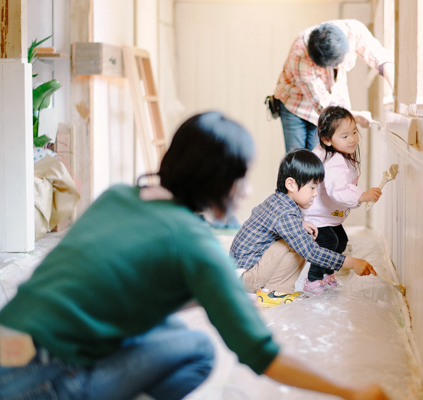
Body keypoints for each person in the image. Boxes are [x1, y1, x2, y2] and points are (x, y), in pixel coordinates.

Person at [0, 112, 390, 400]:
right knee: (197, 350)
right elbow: (260, 352)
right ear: (218, 180)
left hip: (7, 344)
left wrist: (211, 293)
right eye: (242, 174)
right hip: (40, 384)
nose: (248, 187)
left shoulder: (117, 196)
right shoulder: (194, 244)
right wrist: (350, 392)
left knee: (167, 331)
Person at [230, 148, 377, 307]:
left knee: (300, 236)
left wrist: (300, 223)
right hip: (245, 277)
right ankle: (274, 292)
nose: (315, 194)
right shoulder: (285, 214)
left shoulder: (278, 201)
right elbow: (312, 252)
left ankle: (275, 290)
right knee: (302, 242)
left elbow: (271, 221)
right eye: (312, 188)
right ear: (291, 184)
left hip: (239, 272)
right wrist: (352, 263)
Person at [274, 19, 394, 152]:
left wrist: (396, 91)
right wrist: (354, 116)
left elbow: (381, 58)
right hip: (295, 103)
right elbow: (321, 103)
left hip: (324, 106)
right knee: (297, 160)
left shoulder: (353, 30)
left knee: (318, 159)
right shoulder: (299, 55)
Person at [301, 106, 382, 294]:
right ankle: (313, 280)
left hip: (325, 213)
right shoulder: (334, 161)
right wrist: (362, 196)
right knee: (328, 243)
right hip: (316, 215)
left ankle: (327, 275)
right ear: (327, 139)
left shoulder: (333, 152)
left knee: (341, 241)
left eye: (354, 132)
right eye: (344, 136)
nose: (352, 138)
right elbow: (337, 190)